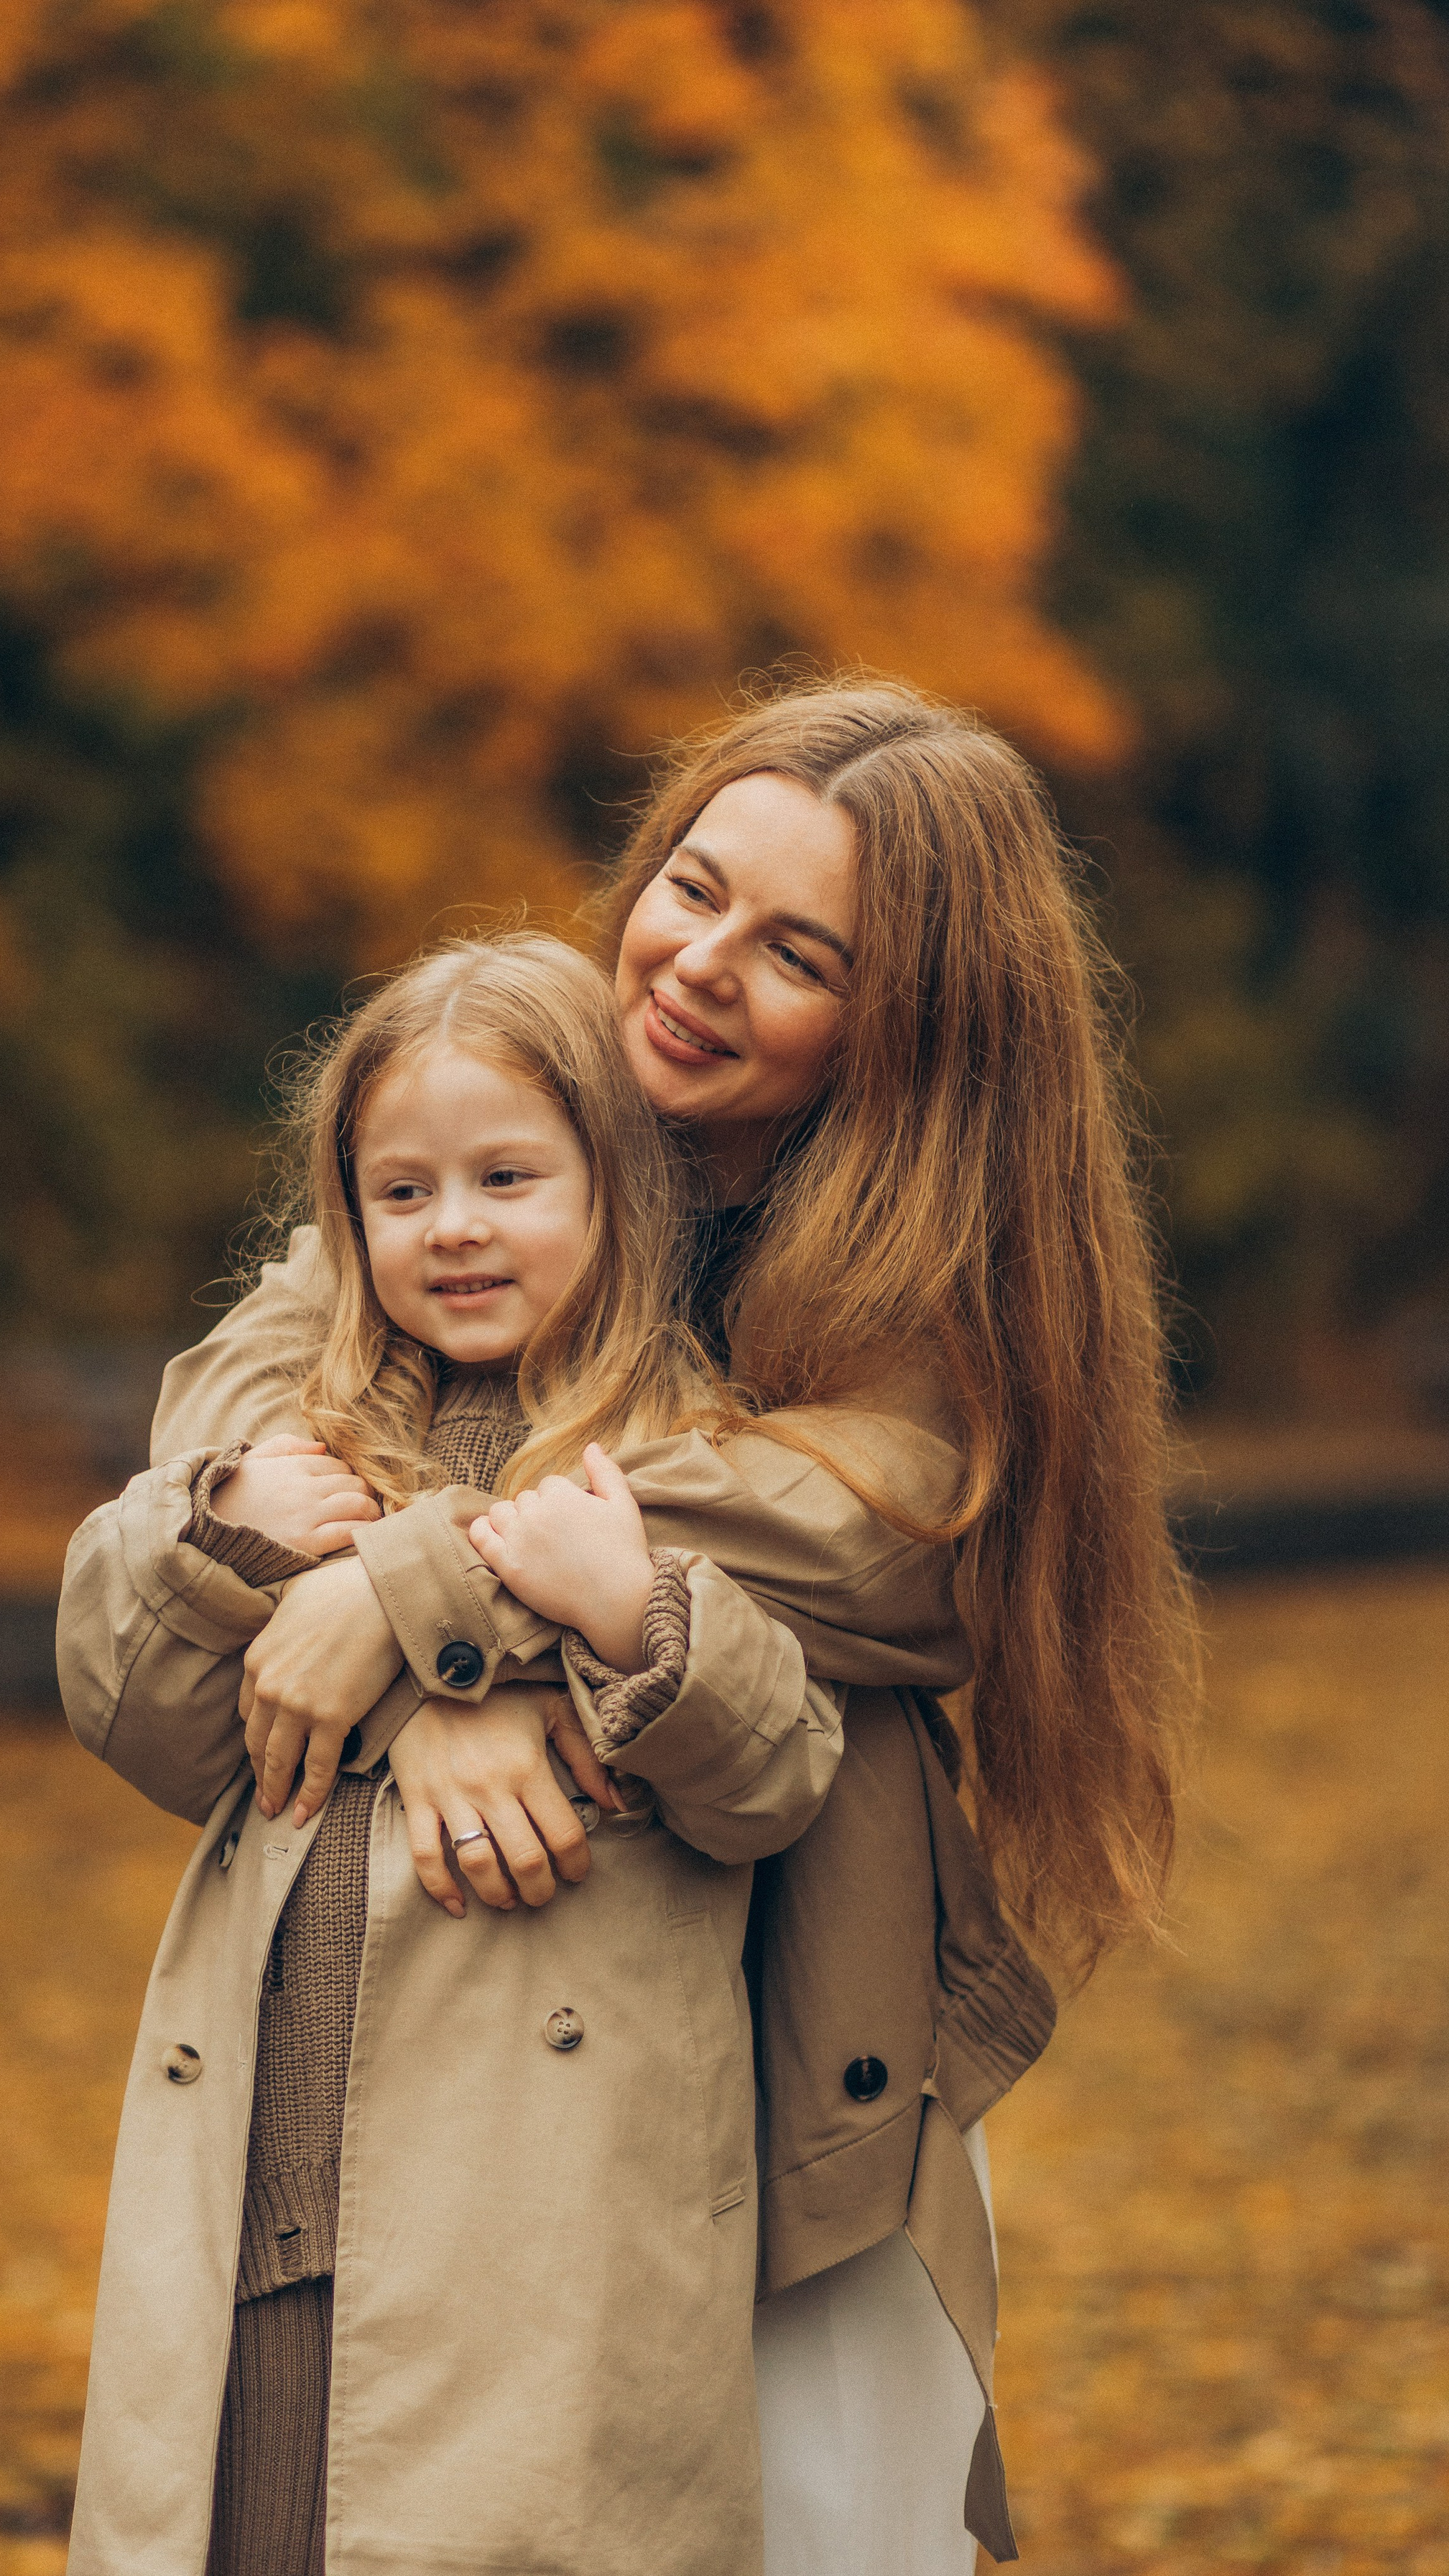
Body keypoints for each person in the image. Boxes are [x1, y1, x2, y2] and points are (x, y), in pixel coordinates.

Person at [152, 678, 1198, 2576]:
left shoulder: (930, 1285)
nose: (701, 964)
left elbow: (864, 1532)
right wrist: (421, 1660)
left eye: (798, 952)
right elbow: (258, 1376)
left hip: (781, 2047)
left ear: (910, 1024)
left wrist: (414, 1595)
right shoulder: (520, 1122)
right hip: (493, 2063)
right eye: (694, 887)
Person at [58, 933, 864, 2576]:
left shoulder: (685, 1452)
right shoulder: (307, 1434)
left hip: (547, 2228)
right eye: (401, 1191)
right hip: (278, 2187)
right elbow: (145, 1719)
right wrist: (217, 1540)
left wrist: (640, 1617)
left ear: (616, 1189)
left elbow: (776, 1771)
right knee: (265, 2515)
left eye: (508, 1174)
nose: (457, 1228)